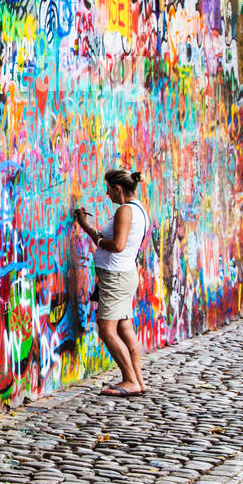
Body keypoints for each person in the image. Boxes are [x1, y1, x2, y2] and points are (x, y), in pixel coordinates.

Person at [73, 169, 148, 397]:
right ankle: (138, 380)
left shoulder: (125, 210)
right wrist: (87, 226)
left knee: (107, 330)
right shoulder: (139, 209)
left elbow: (117, 245)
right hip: (123, 275)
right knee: (124, 327)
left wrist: (92, 234)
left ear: (118, 188)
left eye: (108, 189)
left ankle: (129, 380)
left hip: (116, 277)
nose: (107, 194)